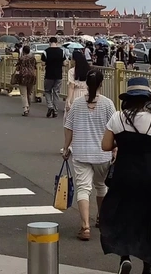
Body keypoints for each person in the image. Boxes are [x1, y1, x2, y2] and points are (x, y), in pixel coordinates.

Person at [99, 77, 151, 274]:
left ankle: (124, 257)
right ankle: (147, 264)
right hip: (149, 173)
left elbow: (105, 145)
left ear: (127, 98)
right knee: (149, 216)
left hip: (124, 171)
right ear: (147, 98)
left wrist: (122, 141)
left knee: (123, 214)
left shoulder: (118, 118)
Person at [62, 70, 115, 241]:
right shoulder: (108, 104)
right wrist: (115, 149)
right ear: (101, 84)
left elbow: (68, 127)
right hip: (102, 153)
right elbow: (114, 129)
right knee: (101, 187)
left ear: (86, 84)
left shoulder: (77, 104)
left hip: (81, 152)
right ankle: (101, 218)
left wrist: (66, 148)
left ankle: (85, 226)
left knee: (83, 189)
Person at [41, 37, 65, 118]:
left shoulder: (46, 52)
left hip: (49, 74)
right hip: (58, 75)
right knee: (56, 92)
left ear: (49, 42)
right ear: (56, 42)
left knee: (47, 91)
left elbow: (43, 63)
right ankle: (55, 110)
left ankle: (50, 106)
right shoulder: (61, 51)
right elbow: (64, 62)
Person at [14, 46, 37, 117]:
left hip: (23, 76)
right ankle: (28, 106)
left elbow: (17, 67)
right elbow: (35, 67)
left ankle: (25, 109)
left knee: (23, 94)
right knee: (29, 93)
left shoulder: (21, 58)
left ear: (23, 51)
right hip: (32, 76)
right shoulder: (33, 58)